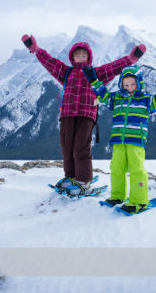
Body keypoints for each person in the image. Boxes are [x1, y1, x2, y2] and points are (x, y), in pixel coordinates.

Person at [21, 34, 146, 196]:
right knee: (67, 146)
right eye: (77, 54)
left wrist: (130, 59)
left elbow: (113, 68)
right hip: (67, 114)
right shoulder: (66, 72)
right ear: (72, 57)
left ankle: (84, 181)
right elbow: (50, 63)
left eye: (83, 54)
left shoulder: (96, 73)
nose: (80, 57)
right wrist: (36, 50)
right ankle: (71, 177)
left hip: (87, 114)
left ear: (89, 57)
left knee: (81, 146)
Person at [82, 62, 156, 213]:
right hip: (118, 141)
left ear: (139, 83)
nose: (128, 87)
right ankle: (118, 195)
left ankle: (139, 200)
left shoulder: (146, 100)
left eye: (132, 84)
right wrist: (93, 79)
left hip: (136, 141)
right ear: (121, 84)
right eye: (125, 84)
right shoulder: (116, 99)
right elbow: (103, 94)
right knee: (116, 168)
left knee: (136, 170)